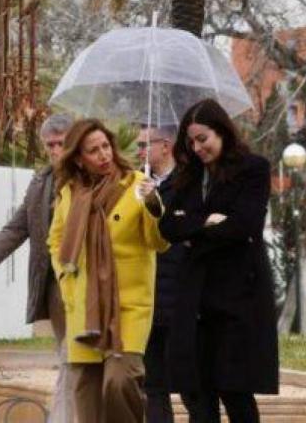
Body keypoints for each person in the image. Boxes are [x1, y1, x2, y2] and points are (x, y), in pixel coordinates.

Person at [159, 99, 278, 423]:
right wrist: (207, 222)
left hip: (238, 296)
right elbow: (170, 226)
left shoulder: (253, 168)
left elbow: (245, 225)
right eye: (191, 141)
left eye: (203, 139)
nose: (197, 148)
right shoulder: (188, 176)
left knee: (235, 389)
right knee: (197, 390)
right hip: (196, 297)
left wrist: (193, 227)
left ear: (222, 132)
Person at [48, 118, 168, 423]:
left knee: (120, 381)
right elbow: (56, 240)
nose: (103, 155)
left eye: (105, 146)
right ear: (78, 157)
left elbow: (158, 241)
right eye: (93, 150)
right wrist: (65, 278)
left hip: (128, 305)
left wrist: (154, 205)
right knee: (87, 397)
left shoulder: (136, 186)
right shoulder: (69, 192)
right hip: (84, 305)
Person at [0, 113, 75, 423]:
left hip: (86, 282)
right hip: (53, 283)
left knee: (77, 357)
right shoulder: (42, 181)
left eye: (61, 144)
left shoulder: (90, 178)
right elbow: (17, 227)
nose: (55, 150)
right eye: (50, 145)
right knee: (67, 355)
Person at [136, 125, 182, 423]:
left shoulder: (187, 183)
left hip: (177, 290)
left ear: (166, 146)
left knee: (189, 382)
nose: (139, 151)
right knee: (152, 383)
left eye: (144, 144)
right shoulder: (135, 184)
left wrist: (156, 203)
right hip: (144, 293)